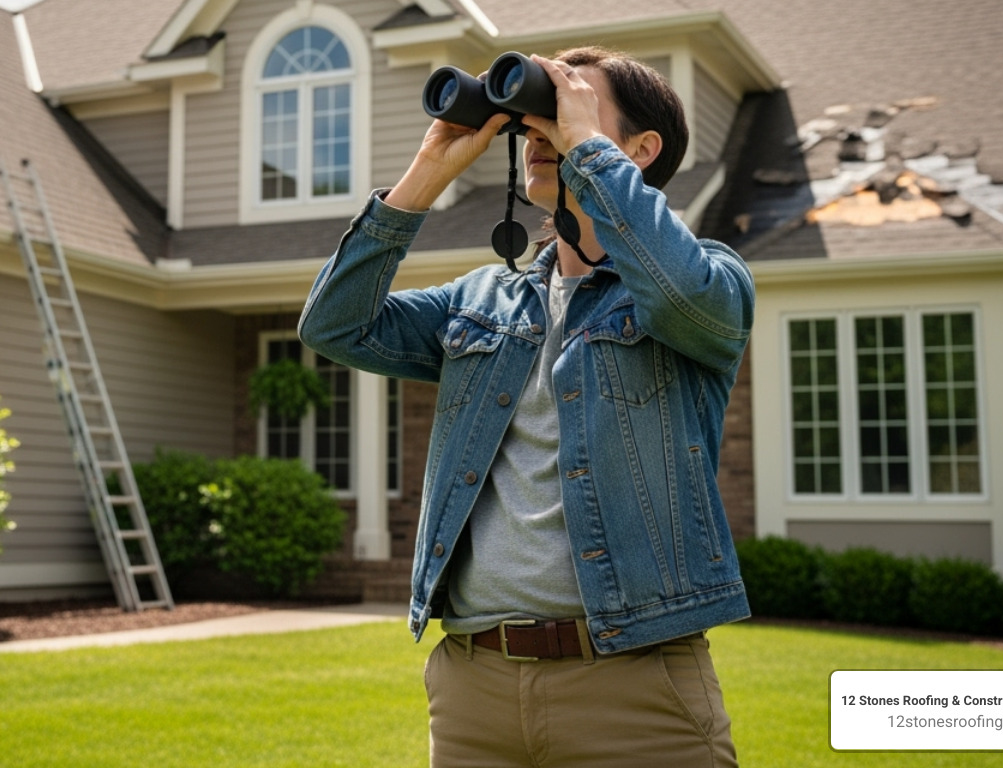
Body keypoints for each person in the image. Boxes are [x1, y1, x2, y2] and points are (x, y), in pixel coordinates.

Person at [298, 47, 753, 767]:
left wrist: (586, 151)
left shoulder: (709, 280)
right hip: (474, 687)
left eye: (569, 100)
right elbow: (335, 326)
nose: (539, 127)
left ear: (641, 149)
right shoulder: (480, 300)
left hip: (635, 688)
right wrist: (429, 171)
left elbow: (677, 291)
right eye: (536, 113)